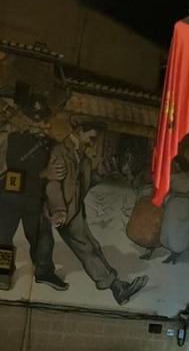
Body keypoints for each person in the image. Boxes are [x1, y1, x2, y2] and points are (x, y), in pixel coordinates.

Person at [44, 119, 147, 305]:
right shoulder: (59, 151)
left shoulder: (83, 158)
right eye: (92, 136)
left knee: (92, 246)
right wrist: (58, 210)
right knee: (86, 249)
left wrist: (102, 173)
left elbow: (86, 184)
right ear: (80, 129)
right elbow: (53, 184)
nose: (94, 141)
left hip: (74, 210)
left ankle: (117, 286)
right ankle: (116, 286)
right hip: (61, 211)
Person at [0, 95, 68, 290]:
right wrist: (42, 173)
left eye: (43, 118)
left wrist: (57, 208)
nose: (40, 123)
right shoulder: (7, 138)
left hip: (35, 201)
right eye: (34, 118)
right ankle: (2, 273)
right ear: (24, 117)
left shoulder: (51, 147)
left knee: (43, 237)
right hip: (7, 198)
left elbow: (54, 179)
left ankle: (44, 271)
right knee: (2, 237)